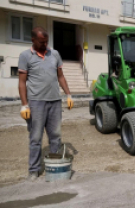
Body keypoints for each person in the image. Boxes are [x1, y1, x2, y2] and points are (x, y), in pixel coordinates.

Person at [18, 27, 74, 181]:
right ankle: (34, 170)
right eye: (42, 42)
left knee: (55, 136)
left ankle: (54, 165)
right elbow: (22, 82)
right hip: (36, 103)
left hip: (55, 101)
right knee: (35, 138)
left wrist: (68, 95)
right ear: (33, 40)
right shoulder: (25, 56)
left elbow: (60, 77)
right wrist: (24, 104)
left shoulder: (54, 54)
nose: (45, 45)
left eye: (46, 42)